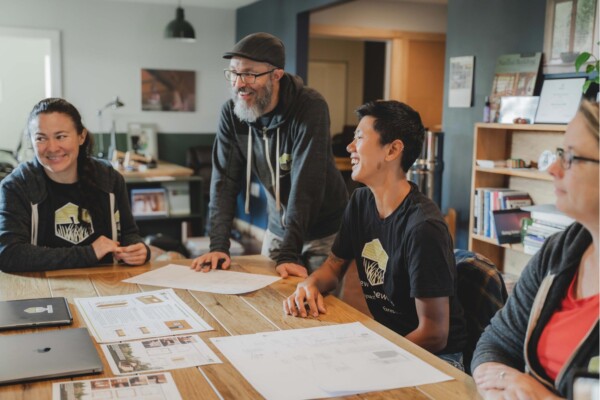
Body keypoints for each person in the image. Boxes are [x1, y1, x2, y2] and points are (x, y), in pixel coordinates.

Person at [283, 100, 467, 367]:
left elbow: (435, 335)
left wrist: (371, 354)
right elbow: (333, 268)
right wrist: (309, 285)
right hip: (392, 341)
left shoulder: (423, 227)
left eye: (359, 137)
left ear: (392, 150)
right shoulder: (360, 202)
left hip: (435, 358)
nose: (350, 147)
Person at [191, 32, 348, 278]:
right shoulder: (232, 115)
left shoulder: (309, 107)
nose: (238, 83)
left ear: (276, 74)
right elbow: (224, 182)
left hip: (324, 229)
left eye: (250, 74)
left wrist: (289, 253)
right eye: (233, 73)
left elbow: (306, 183)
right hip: (277, 227)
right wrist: (218, 245)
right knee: (269, 298)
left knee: (318, 307)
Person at [472, 100, 599, 399]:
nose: (552, 169)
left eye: (570, 158)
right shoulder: (563, 249)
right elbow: (496, 343)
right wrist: (505, 379)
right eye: (559, 154)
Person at [0, 98, 149, 272]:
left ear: (81, 136)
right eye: (41, 138)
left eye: (61, 136)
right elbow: (9, 254)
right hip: (43, 290)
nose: (52, 147)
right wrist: (89, 253)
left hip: (104, 285)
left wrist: (138, 249)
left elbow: (129, 233)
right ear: (31, 141)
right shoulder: (16, 186)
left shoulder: (110, 179)